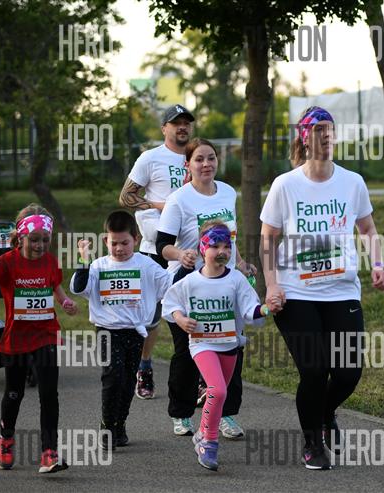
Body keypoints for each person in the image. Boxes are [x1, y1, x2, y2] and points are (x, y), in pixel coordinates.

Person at [260, 106, 384, 470]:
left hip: (341, 290)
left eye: (330, 129)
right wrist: (272, 286)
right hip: (296, 292)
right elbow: (268, 238)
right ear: (304, 137)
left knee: (348, 372)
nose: (326, 135)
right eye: (318, 130)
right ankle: (312, 442)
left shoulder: (352, 182)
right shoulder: (286, 185)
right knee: (314, 370)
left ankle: (326, 411)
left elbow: (367, 229)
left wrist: (378, 264)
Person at [0, 204, 78, 473]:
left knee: (49, 394)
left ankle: (49, 452)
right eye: (34, 240)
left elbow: (56, 287)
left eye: (45, 240)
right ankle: (6, 439)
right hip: (17, 338)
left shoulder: (50, 261)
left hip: (46, 335)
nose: (40, 245)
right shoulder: (6, 263)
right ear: (20, 237)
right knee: (14, 393)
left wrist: (66, 301)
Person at [156, 137, 256, 437]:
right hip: (189, 285)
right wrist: (180, 254)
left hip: (225, 284)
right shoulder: (178, 199)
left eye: (211, 158)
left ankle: (227, 415)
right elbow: (162, 246)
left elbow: (230, 238)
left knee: (231, 347)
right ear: (188, 164)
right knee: (186, 353)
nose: (206, 164)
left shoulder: (227, 192)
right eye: (199, 159)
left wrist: (240, 263)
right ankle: (181, 414)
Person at [162, 221, 274, 470]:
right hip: (201, 344)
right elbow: (170, 303)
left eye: (227, 246)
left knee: (218, 394)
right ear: (203, 249)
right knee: (219, 390)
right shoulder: (190, 281)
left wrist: (267, 309)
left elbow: (250, 310)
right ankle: (209, 443)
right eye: (215, 246)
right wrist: (180, 319)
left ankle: (202, 431)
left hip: (229, 344)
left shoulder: (236, 279)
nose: (222, 251)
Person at [69, 210, 171, 450]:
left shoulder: (146, 265)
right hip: (107, 331)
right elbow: (79, 287)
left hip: (136, 332)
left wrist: (188, 268)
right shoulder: (98, 266)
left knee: (127, 382)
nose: (119, 248)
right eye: (114, 243)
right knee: (113, 376)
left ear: (135, 239)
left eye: (125, 243)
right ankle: (107, 426)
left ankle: (119, 423)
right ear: (106, 240)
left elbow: (171, 286)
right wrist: (83, 260)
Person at [119, 104, 194, 400]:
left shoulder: (197, 156)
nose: (182, 127)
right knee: (151, 317)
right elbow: (126, 196)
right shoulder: (150, 158)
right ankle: (145, 367)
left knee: (190, 312)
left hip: (190, 248)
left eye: (186, 122)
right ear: (164, 128)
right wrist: (160, 206)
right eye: (176, 122)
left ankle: (197, 376)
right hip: (156, 249)